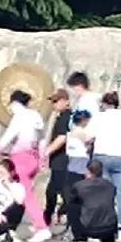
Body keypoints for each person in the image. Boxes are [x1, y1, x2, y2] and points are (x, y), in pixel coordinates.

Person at [0, 88, 48, 242]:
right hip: (34, 157)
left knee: (25, 195)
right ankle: (17, 226)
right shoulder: (35, 116)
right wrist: (43, 157)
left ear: (15, 103)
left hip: (21, 158)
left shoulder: (19, 117)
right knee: (23, 193)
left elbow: (9, 135)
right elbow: (42, 138)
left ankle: (41, 227)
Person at [89, 91, 121, 241]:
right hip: (119, 156)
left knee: (101, 193)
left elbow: (89, 136)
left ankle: (101, 228)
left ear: (104, 103)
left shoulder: (99, 117)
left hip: (100, 156)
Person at [41, 89, 75, 229]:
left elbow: (62, 137)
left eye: (57, 101)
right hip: (58, 161)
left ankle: (54, 219)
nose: (54, 104)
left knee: (62, 193)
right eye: (53, 101)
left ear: (66, 101)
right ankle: (49, 219)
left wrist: (47, 152)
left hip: (62, 161)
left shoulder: (66, 117)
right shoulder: (61, 117)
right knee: (53, 192)